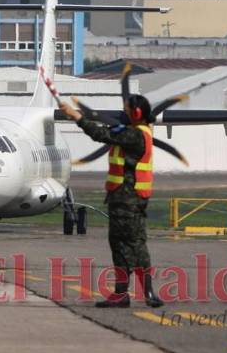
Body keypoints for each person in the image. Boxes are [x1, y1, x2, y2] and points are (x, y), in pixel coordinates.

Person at [60, 94, 163, 309]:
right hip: (125, 200)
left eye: (125, 109)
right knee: (124, 245)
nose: (121, 113)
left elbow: (100, 134)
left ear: (135, 114)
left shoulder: (134, 135)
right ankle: (128, 293)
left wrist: (76, 117)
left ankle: (140, 293)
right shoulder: (137, 132)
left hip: (128, 201)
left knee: (131, 245)